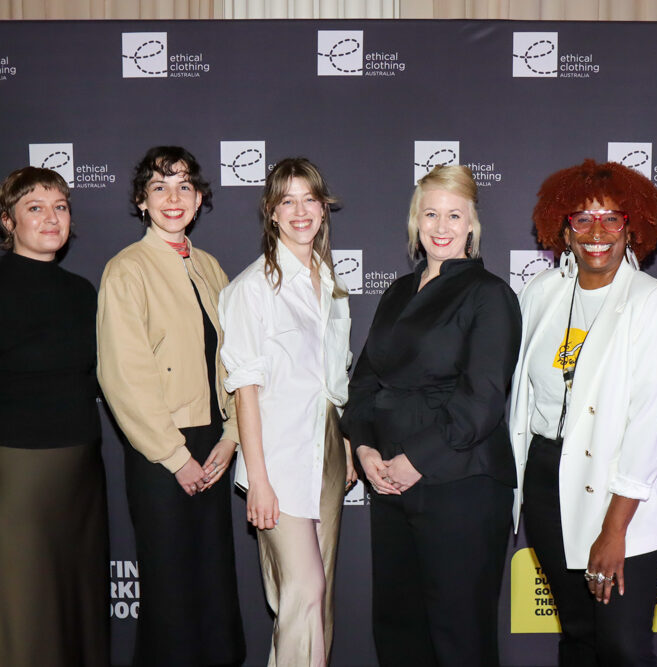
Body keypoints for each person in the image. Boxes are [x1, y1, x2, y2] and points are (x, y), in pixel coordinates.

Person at [341, 165, 521, 667]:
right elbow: (363, 382)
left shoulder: (490, 294)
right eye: (431, 214)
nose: (441, 227)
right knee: (398, 628)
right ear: (415, 221)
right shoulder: (398, 291)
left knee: (458, 634)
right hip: (390, 482)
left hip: (460, 483)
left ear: (471, 224)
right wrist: (365, 447)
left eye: (454, 215)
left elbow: (482, 400)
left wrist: (414, 459)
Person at [509, 159, 657, 666]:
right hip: (546, 483)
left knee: (622, 646)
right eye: (582, 219)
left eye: (613, 218)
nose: (597, 232)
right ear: (562, 230)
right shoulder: (540, 295)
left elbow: (650, 424)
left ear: (634, 229)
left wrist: (614, 531)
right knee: (578, 635)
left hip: (619, 490)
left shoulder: (654, 302)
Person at [97, 146, 245, 667]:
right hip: (162, 452)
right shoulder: (127, 270)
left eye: (184, 185)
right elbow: (124, 376)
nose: (173, 197)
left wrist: (232, 436)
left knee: (211, 577)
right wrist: (174, 456)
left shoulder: (209, 267)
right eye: (159, 187)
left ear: (200, 197)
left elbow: (233, 362)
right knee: (170, 585)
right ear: (141, 201)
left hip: (213, 443)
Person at [218, 157, 356, 667]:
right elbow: (245, 393)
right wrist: (257, 479)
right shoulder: (250, 289)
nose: (300, 211)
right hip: (275, 458)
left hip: (326, 450)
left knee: (317, 601)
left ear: (324, 207)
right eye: (286, 201)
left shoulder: (331, 282)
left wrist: (340, 440)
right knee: (303, 589)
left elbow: (331, 380)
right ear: (271, 213)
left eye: (309, 199)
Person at [0, 166, 109, 667]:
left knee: (78, 597)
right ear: (8, 222)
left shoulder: (84, 291)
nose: (50, 218)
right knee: (26, 600)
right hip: (17, 467)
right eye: (34, 208)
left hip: (81, 465)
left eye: (60, 207)